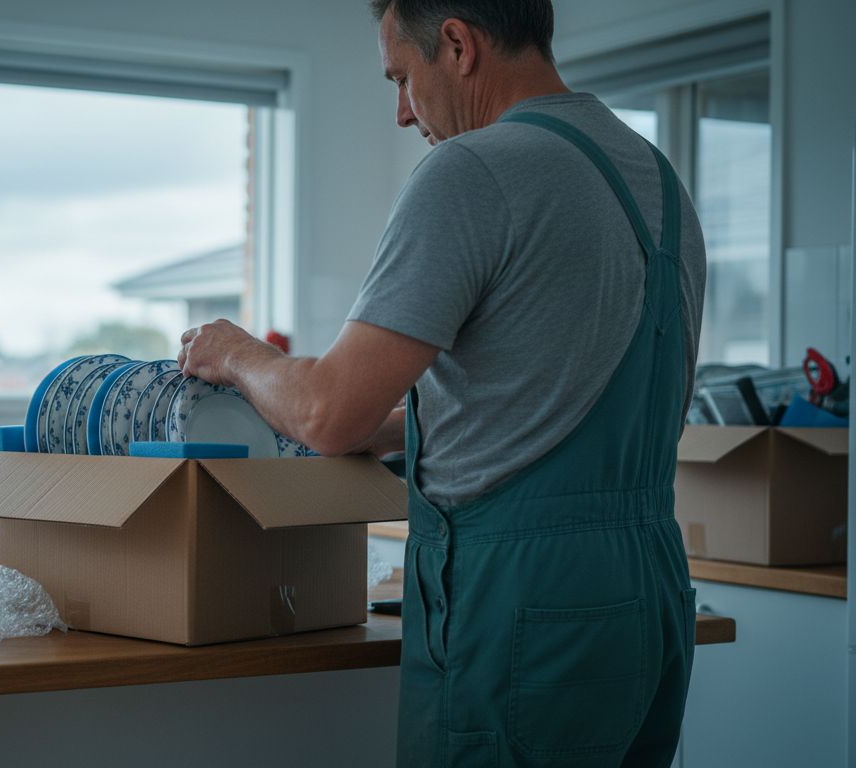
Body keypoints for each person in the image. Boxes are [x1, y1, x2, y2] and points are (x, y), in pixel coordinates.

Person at [176, 1, 707, 765]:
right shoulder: (654, 177)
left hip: (521, 600)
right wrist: (399, 428)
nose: (401, 113)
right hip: (649, 588)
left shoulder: (474, 171)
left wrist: (236, 354)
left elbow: (327, 413)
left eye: (401, 77)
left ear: (457, 44)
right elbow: (546, 400)